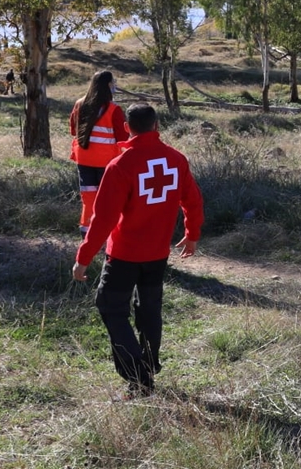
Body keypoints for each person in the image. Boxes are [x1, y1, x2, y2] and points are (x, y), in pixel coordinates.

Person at [72, 103, 204, 399]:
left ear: (128, 128)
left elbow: (102, 219)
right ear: (157, 125)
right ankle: (149, 364)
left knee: (110, 307)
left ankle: (139, 378)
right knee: (149, 309)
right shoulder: (176, 159)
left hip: (124, 256)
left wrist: (83, 258)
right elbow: (193, 201)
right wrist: (192, 234)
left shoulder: (120, 166)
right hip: (158, 253)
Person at [70, 71, 129, 238]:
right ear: (109, 86)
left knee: (89, 198)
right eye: (113, 83)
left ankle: (87, 234)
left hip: (84, 159)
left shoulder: (79, 104)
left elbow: (73, 130)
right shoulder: (114, 109)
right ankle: (108, 235)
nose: (115, 85)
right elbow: (123, 137)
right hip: (107, 162)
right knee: (107, 200)